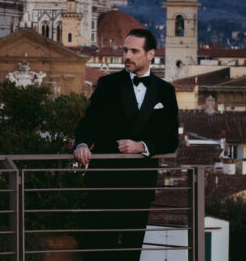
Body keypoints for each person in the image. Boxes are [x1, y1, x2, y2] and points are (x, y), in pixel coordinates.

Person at [73, 28, 180, 260]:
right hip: (103, 185)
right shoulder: (107, 84)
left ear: (150, 54)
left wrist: (142, 146)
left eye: (134, 51)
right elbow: (88, 123)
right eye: (125, 50)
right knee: (96, 252)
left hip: (139, 188)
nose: (127, 56)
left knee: (131, 252)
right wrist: (81, 144)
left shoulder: (165, 91)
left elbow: (171, 139)